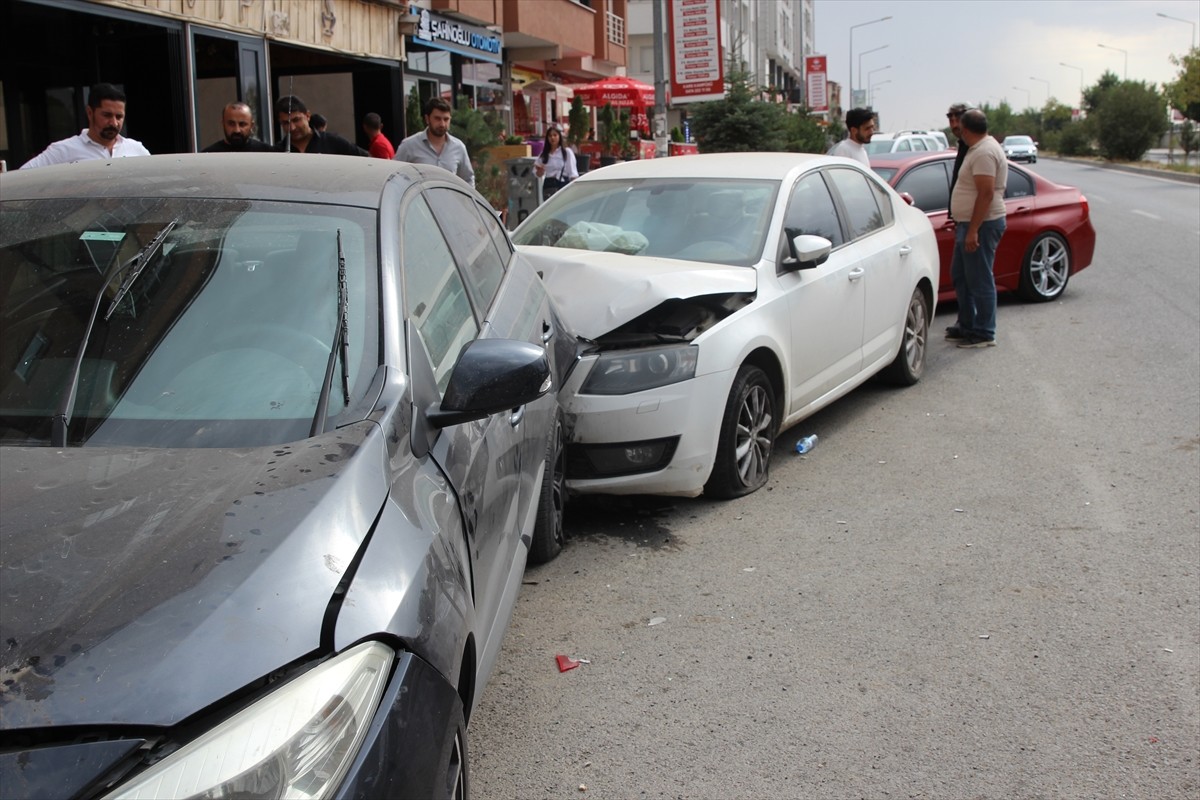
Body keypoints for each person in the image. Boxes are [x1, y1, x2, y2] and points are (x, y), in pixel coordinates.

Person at [947, 108, 1006, 349]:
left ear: (966, 128)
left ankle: (984, 331)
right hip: (968, 224)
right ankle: (968, 324)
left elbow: (986, 193)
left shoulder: (984, 152)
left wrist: (973, 230)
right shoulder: (976, 149)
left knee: (980, 279)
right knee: (961, 275)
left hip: (982, 224)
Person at [20, 83, 150, 169]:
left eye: (119, 116)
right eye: (106, 115)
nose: (114, 123)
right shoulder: (64, 150)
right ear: (89, 112)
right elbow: (23, 176)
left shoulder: (136, 149)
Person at [394, 97, 474, 186]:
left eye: (446, 119)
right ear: (427, 119)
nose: (442, 124)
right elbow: (395, 176)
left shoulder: (458, 147)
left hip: (448, 199)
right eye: (437, 118)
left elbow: (468, 179)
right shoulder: (409, 145)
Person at [275, 96, 363, 156]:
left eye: (296, 120)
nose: (292, 127)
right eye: (286, 123)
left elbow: (368, 160)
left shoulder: (333, 142)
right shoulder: (277, 152)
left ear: (308, 116)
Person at [202, 102, 273, 152]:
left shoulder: (267, 153)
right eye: (231, 124)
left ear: (251, 125)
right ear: (223, 124)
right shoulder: (209, 156)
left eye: (242, 124)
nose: (237, 130)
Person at [534, 126, 578, 199]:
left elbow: (572, 173)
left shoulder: (566, 152)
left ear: (559, 137)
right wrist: (540, 172)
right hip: (548, 185)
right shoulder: (544, 154)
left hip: (563, 184)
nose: (552, 138)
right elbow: (537, 172)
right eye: (550, 136)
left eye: (555, 135)